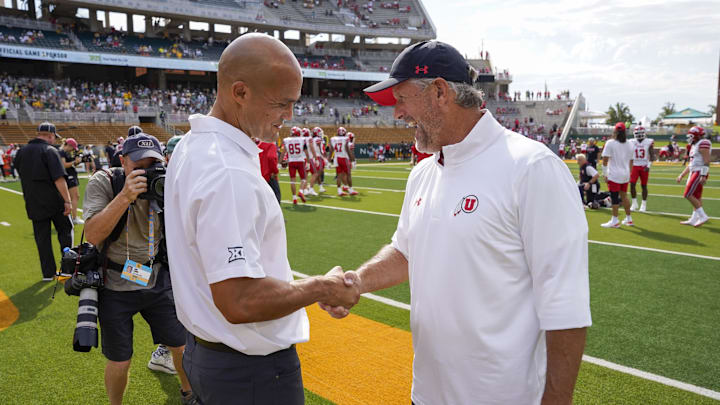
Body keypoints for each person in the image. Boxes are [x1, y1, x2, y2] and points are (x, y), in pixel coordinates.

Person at [324, 40, 591, 405]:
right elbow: (406, 251)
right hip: (427, 394)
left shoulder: (531, 167)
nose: (396, 114)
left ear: (439, 91)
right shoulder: (422, 173)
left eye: (400, 98)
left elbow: (565, 303)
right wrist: (358, 281)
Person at [164, 33, 360, 405]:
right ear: (240, 92)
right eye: (280, 104)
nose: (287, 118)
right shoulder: (227, 171)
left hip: (208, 354)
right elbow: (240, 301)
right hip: (248, 372)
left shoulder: (193, 146)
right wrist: (321, 287)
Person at [82, 133, 194, 405]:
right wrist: (124, 196)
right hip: (114, 283)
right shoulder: (106, 181)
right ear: (122, 161)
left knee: (181, 345)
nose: (145, 172)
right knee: (120, 359)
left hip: (155, 278)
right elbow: (92, 235)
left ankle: (190, 394)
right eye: (138, 165)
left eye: (152, 164)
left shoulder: (165, 184)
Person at [13, 122, 74, 281]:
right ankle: (68, 269)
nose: (54, 140)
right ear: (50, 135)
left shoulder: (21, 151)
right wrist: (67, 201)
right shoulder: (49, 150)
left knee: (42, 238)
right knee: (65, 232)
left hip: (33, 200)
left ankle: (48, 273)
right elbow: (59, 179)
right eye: (54, 137)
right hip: (54, 201)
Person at [600, 122, 634, 228]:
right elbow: (631, 161)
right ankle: (629, 219)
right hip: (625, 174)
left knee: (614, 197)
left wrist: (605, 173)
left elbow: (605, 160)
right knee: (624, 196)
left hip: (614, 175)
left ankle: (614, 220)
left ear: (615, 131)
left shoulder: (610, 143)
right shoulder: (630, 143)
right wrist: (629, 173)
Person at [676, 126, 711, 227]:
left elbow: (707, 161)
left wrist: (703, 175)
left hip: (699, 171)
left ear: (696, 136)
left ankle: (703, 216)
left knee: (687, 194)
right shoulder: (694, 145)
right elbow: (691, 164)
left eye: (691, 136)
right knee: (696, 196)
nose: (689, 138)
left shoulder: (703, 143)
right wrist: (682, 175)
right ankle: (694, 218)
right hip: (694, 171)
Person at [628, 126, 655, 212]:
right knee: (632, 184)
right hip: (635, 165)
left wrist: (648, 166)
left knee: (644, 186)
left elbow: (652, 155)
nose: (639, 136)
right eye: (637, 134)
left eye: (641, 133)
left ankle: (644, 204)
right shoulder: (631, 141)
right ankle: (634, 202)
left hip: (644, 165)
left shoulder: (648, 142)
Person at [60, 138, 84, 224]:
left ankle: (72, 217)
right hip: (69, 176)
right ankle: (74, 218)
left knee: (73, 197)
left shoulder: (65, 153)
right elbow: (64, 165)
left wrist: (76, 162)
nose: (73, 150)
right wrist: (74, 162)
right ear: (69, 145)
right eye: (72, 148)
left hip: (71, 175)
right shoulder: (62, 152)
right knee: (75, 196)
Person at [283, 126, 308, 204]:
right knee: (303, 179)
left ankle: (294, 198)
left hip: (291, 161)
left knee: (292, 181)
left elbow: (284, 152)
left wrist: (280, 161)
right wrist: (309, 161)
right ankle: (300, 191)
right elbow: (306, 152)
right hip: (300, 160)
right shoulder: (302, 139)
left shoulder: (287, 140)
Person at [331, 127, 357, 196]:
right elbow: (349, 151)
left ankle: (339, 191)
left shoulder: (334, 139)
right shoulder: (346, 140)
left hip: (336, 158)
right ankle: (351, 190)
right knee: (348, 174)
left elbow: (331, 150)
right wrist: (353, 161)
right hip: (344, 158)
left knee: (339, 175)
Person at [257, 137, 281, 203]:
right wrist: (275, 171)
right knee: (276, 198)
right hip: (269, 175)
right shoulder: (271, 145)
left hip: (260, 175)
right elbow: (271, 157)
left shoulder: (259, 145)